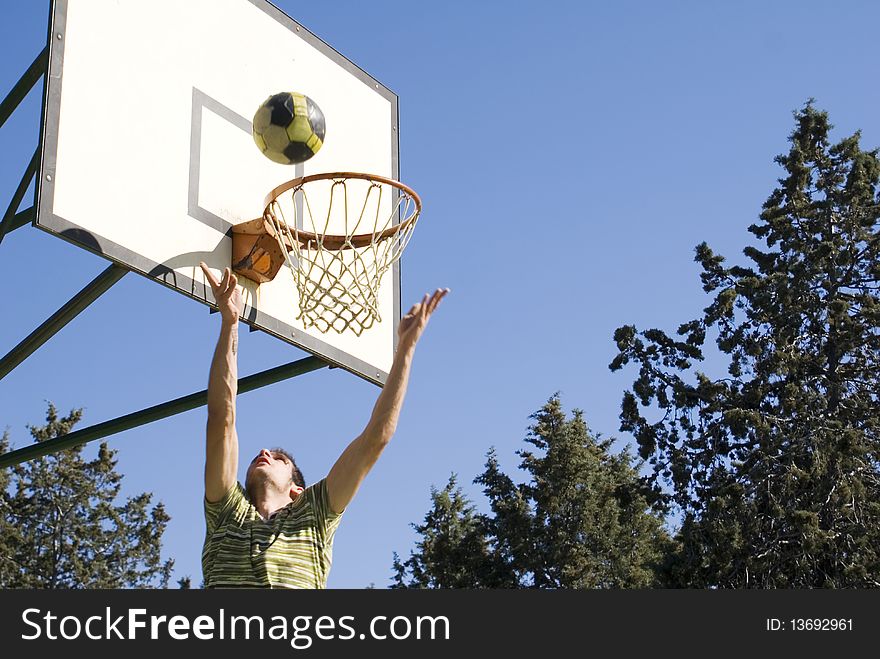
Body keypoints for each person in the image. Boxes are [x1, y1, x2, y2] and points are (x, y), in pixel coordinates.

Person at [198, 262, 448, 588]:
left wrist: (406, 349)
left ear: (297, 490)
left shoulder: (313, 516)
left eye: (279, 458)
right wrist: (230, 323)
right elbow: (222, 419)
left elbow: (376, 438)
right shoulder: (226, 514)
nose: (263, 453)